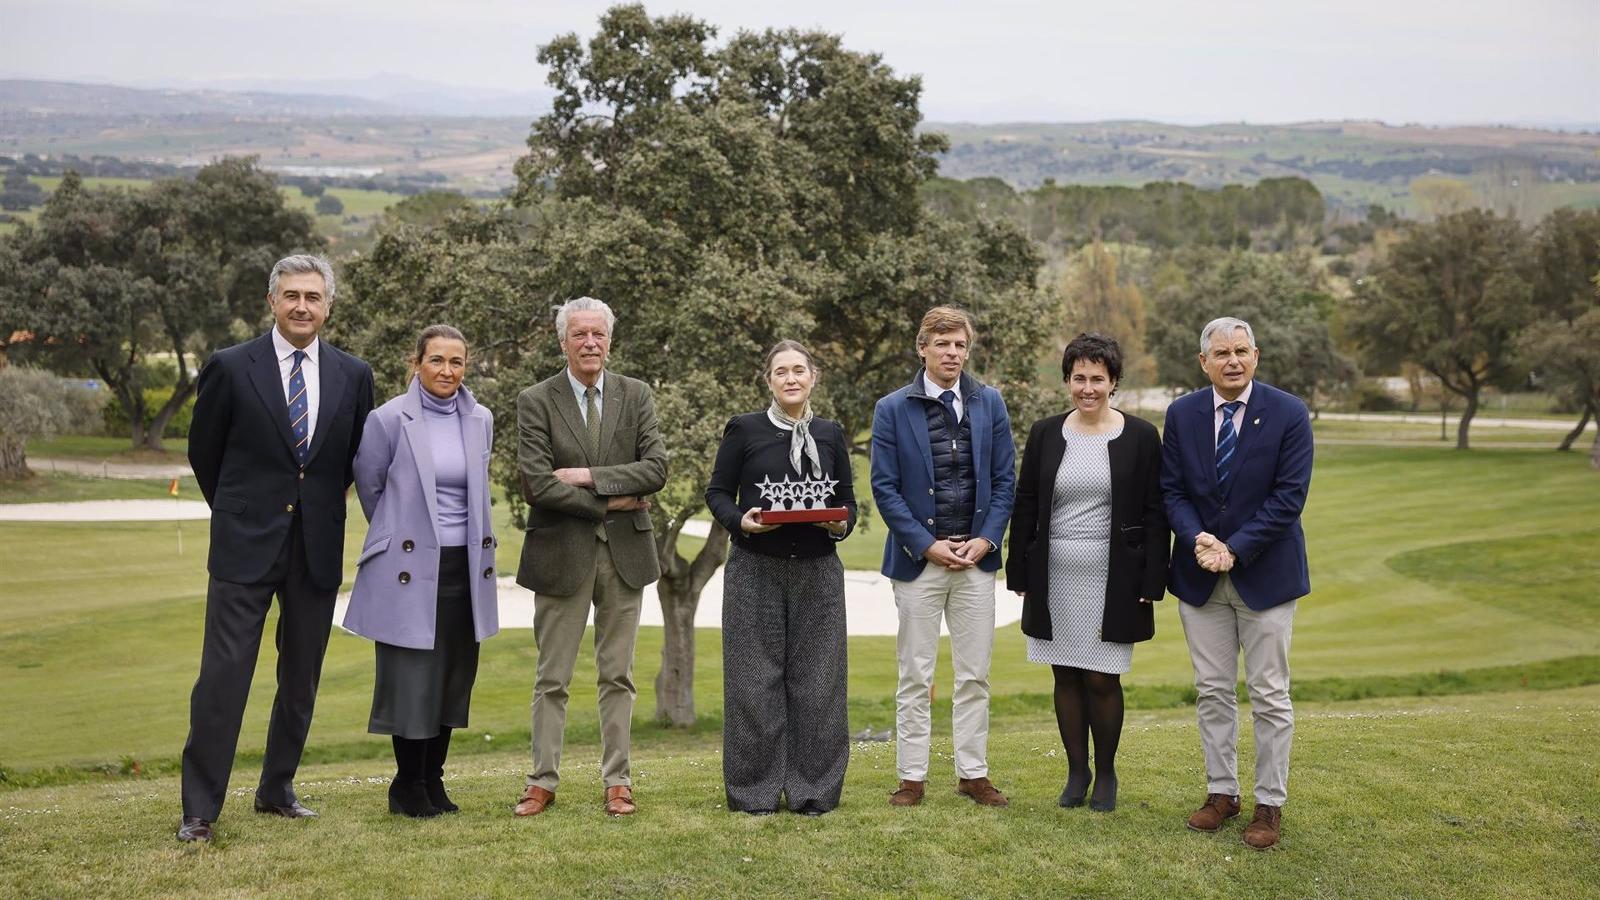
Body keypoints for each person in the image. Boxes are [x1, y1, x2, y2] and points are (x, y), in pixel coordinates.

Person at [178, 254, 375, 843]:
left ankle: (277, 788)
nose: (302, 307)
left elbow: (354, 458)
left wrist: (315, 508)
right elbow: (204, 453)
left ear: (328, 306)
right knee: (223, 676)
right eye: (292, 295)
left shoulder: (354, 374)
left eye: (313, 297)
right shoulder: (230, 366)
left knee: (301, 676)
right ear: (272, 301)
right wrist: (239, 510)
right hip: (243, 545)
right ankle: (199, 810)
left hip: (316, 545)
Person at [512, 297, 668, 818]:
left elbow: (656, 469)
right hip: (561, 554)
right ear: (563, 342)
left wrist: (586, 477)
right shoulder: (536, 400)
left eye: (598, 334)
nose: (590, 343)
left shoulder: (636, 394)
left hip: (626, 555)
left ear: (609, 341)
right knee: (552, 678)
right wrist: (612, 501)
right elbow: (537, 484)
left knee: (618, 675)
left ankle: (618, 782)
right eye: (579, 334)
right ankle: (541, 781)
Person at [1161, 316, 1313, 851]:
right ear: (1203, 362)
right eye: (1222, 353)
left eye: (1241, 351)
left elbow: (1289, 497)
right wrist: (1198, 539)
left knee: (1269, 694)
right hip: (1200, 577)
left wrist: (1235, 548)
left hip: (1266, 577)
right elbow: (1172, 490)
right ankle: (1221, 793)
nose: (1233, 361)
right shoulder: (1182, 414)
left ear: (1256, 355)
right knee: (1212, 690)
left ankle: (1269, 803)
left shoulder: (1289, 413)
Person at [1006, 333, 1167, 813]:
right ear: (1067, 381)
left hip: (1115, 576)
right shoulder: (1045, 432)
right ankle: (1077, 772)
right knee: (1065, 675)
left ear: (1114, 382)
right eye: (1079, 378)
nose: (1088, 388)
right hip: (1055, 572)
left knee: (1101, 678)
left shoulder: (1141, 436)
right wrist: (1019, 571)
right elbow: (1026, 502)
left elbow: (1156, 512)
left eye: (1098, 378)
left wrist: (1151, 579)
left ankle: (1107, 772)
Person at [344, 325, 499, 818]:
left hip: (464, 569)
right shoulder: (387, 419)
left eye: (456, 362)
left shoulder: (481, 420)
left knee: (452, 677)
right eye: (436, 360)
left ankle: (433, 780)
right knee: (412, 681)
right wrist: (406, 534)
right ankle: (407, 785)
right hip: (409, 569)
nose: (446, 371)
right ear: (416, 363)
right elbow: (371, 488)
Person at [870, 306, 1016, 808]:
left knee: (975, 675)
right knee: (916, 674)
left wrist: (987, 539)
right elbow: (885, 488)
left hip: (976, 560)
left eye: (960, 345)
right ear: (923, 348)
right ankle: (911, 777)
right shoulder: (891, 408)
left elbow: (1004, 481)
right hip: (919, 562)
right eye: (943, 344)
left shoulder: (990, 402)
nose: (953, 353)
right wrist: (926, 544)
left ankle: (973, 774)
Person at [705, 340, 857, 816]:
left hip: (818, 570)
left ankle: (815, 792)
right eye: (781, 372)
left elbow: (848, 502)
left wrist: (840, 524)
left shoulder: (830, 434)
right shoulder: (745, 429)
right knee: (753, 684)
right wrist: (741, 521)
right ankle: (755, 795)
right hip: (755, 568)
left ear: (813, 377)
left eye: (799, 370)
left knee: (819, 684)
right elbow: (717, 493)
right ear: (768, 380)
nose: (791, 378)